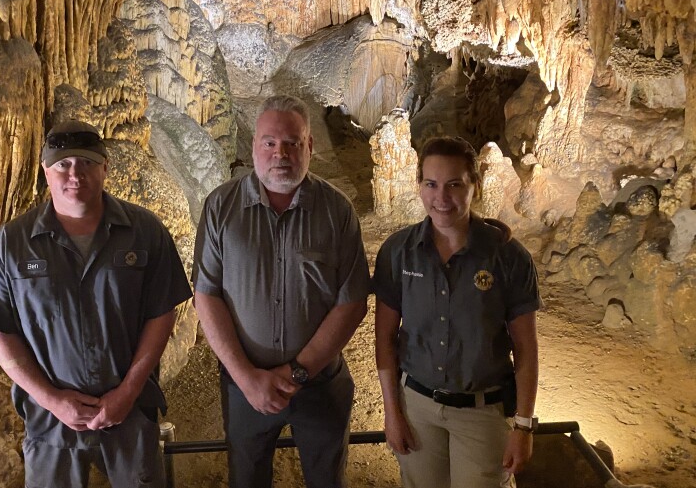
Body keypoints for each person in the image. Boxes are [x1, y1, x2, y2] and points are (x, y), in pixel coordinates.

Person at [0, 119, 192, 488]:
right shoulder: (12, 243)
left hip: (129, 412)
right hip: (50, 419)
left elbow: (160, 314)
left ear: (105, 167)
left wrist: (128, 391)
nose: (75, 174)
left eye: (87, 162)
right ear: (46, 171)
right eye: (63, 164)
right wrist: (51, 399)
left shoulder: (145, 232)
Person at [192, 94, 371, 488]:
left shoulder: (337, 211)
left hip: (320, 385)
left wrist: (298, 371)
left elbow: (352, 301)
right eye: (269, 142)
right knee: (247, 478)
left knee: (327, 479)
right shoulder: (221, 208)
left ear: (310, 147)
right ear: (253, 146)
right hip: (245, 386)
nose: (280, 153)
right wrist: (246, 377)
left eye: (292, 142)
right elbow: (207, 294)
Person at [373, 136, 540, 488]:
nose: (441, 198)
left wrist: (523, 425)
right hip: (416, 406)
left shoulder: (508, 257)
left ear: (474, 187)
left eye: (454, 185)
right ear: (419, 186)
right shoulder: (398, 252)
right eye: (431, 184)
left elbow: (526, 348)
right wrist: (392, 412)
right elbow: (385, 338)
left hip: (482, 411)